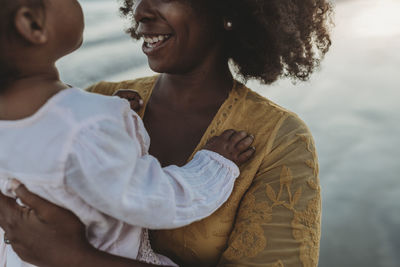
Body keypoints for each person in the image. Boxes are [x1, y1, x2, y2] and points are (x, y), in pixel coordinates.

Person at [0, 0, 333, 266]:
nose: (140, 11)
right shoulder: (100, 101)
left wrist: (71, 258)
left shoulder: (279, 139)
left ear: (228, 11)